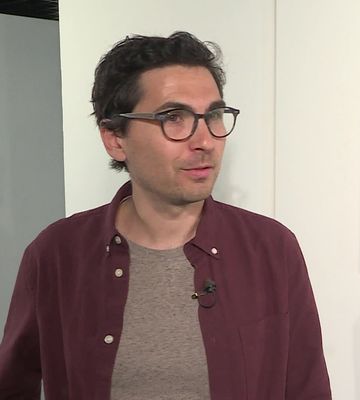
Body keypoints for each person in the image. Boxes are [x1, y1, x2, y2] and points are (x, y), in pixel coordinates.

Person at [0, 31, 331, 399]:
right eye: (174, 117)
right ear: (115, 138)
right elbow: (14, 383)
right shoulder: (56, 254)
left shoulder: (271, 248)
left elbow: (307, 386)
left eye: (214, 115)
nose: (204, 139)